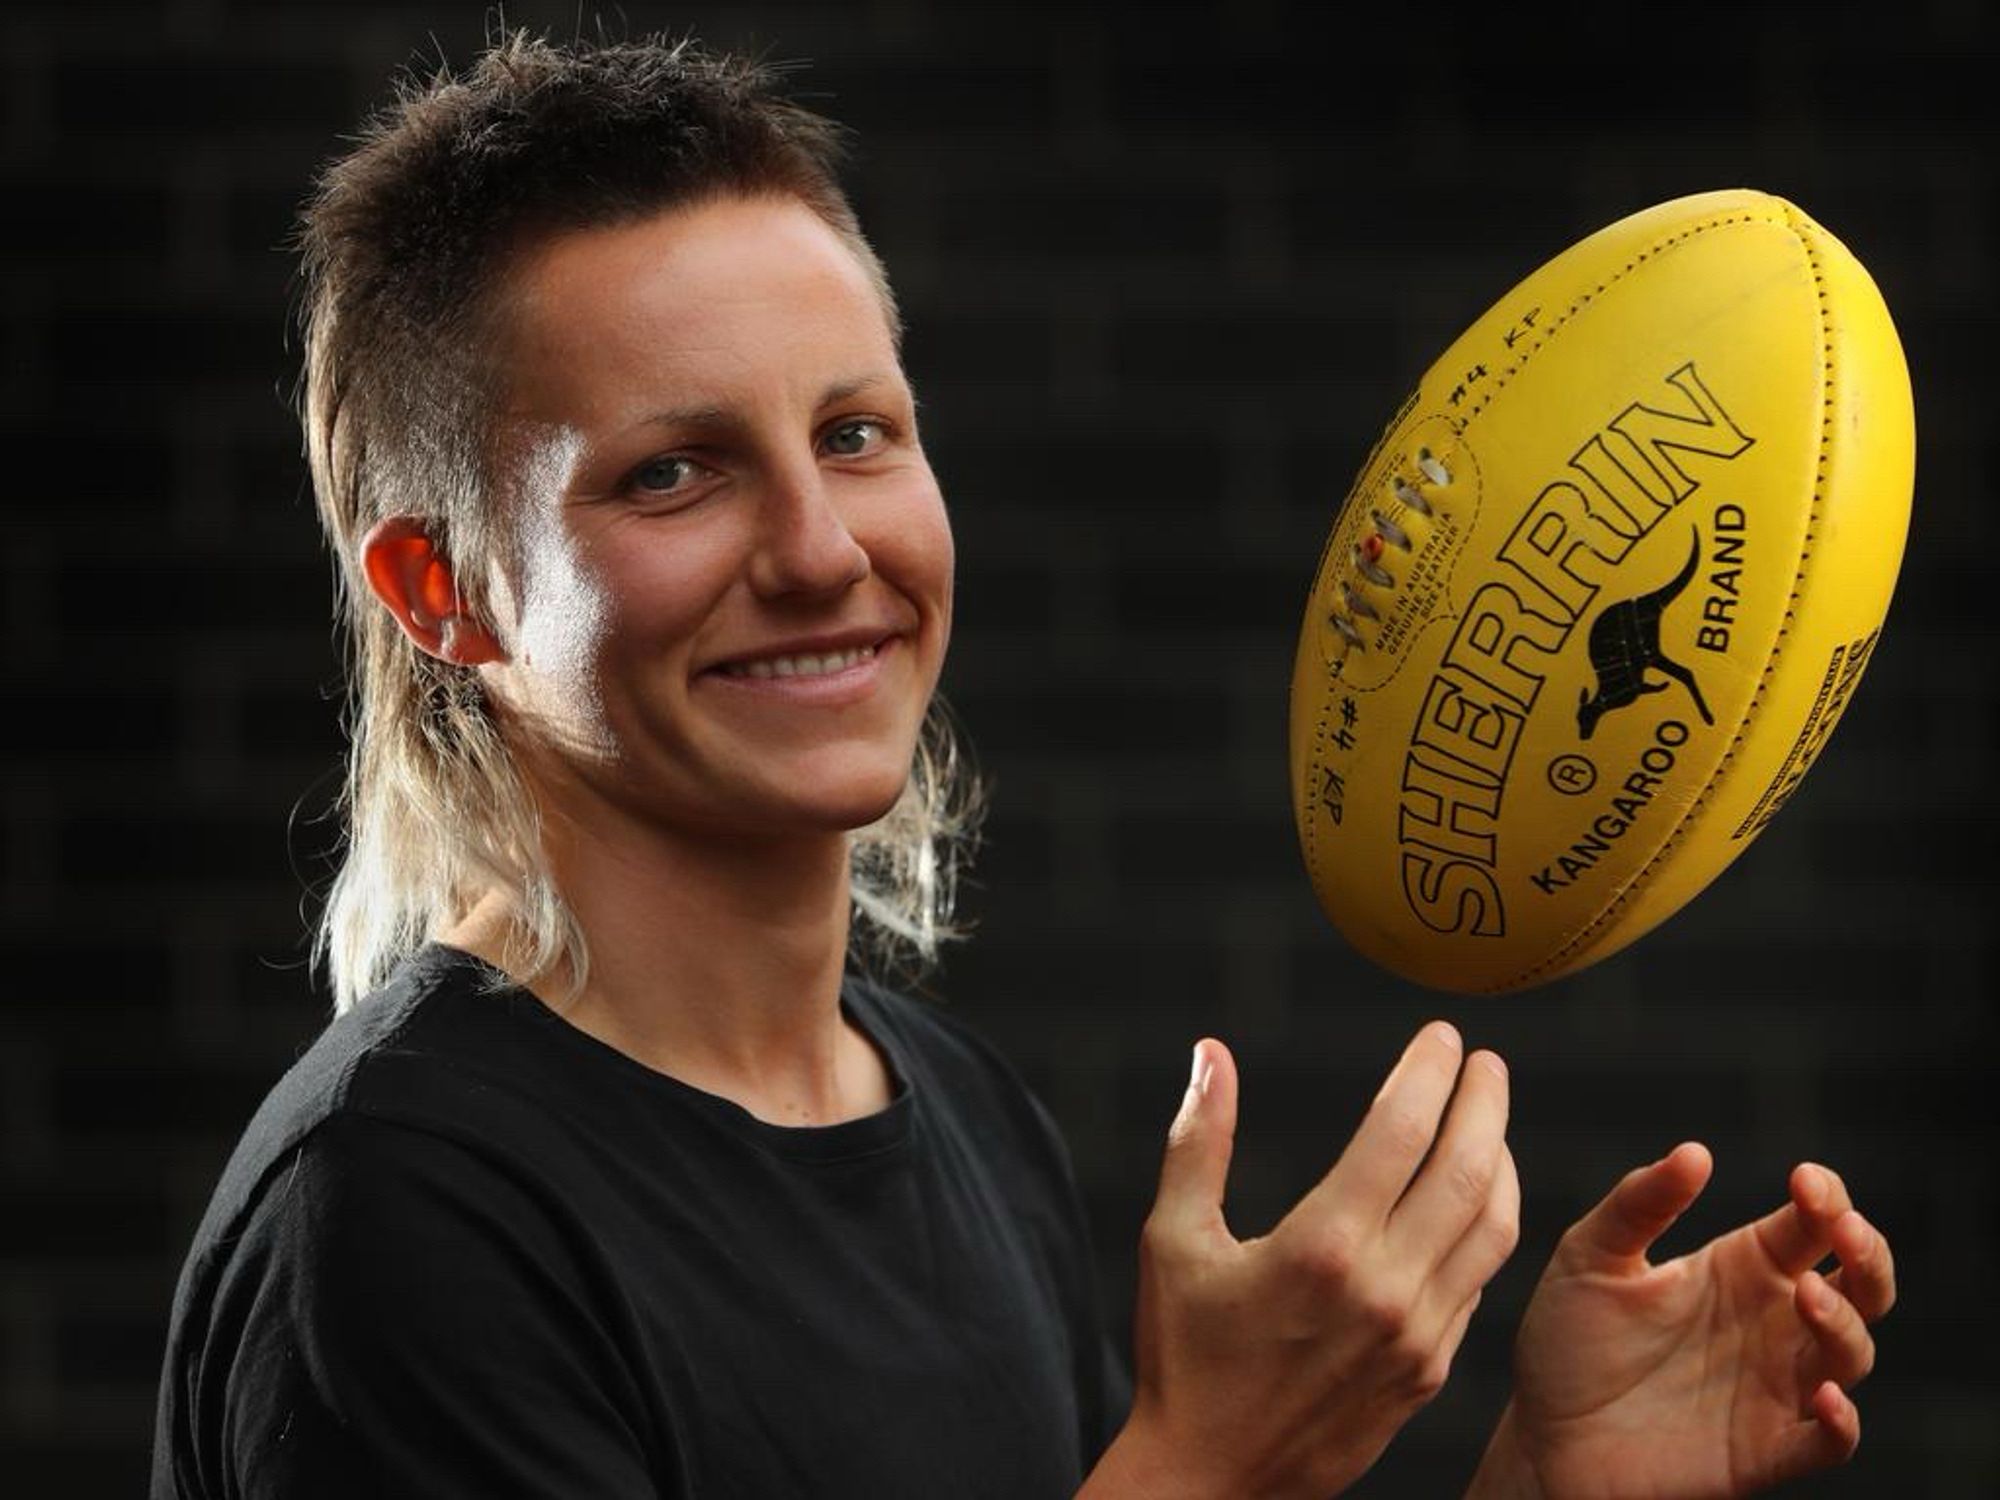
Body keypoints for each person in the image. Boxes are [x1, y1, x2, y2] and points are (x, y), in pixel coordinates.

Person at [150, 30, 1896, 1500]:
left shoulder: (956, 1115)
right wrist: (1204, 1466)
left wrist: (1538, 1476)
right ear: (440, 588)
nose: (824, 548)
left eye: (855, 434)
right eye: (673, 473)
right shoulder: (399, 1227)